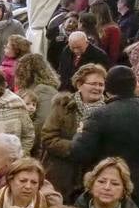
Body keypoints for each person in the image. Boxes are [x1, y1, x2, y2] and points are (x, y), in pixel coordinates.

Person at [70, 65, 139, 208]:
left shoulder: (101, 115)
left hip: (107, 187)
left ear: (108, 87)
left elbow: (80, 152)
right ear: (134, 85)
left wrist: (79, 133)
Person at [39, 63, 107, 197]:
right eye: (93, 83)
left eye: (101, 84)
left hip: (92, 176)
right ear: (79, 84)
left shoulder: (109, 111)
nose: (97, 88)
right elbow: (48, 137)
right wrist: (74, 147)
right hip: (60, 174)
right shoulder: (63, 106)